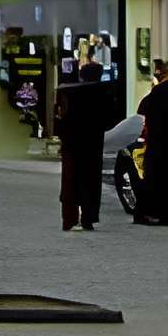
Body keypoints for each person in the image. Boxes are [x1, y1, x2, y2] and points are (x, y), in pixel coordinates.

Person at [55, 54, 114, 233]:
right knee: (90, 180)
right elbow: (109, 119)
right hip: (92, 143)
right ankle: (88, 218)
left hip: (72, 143)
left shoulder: (69, 92)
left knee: (70, 181)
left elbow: (61, 118)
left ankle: (69, 219)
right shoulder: (103, 93)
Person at [136, 59, 168, 224]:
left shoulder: (160, 90)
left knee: (155, 175)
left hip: (159, 139)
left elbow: (144, 107)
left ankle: (151, 212)